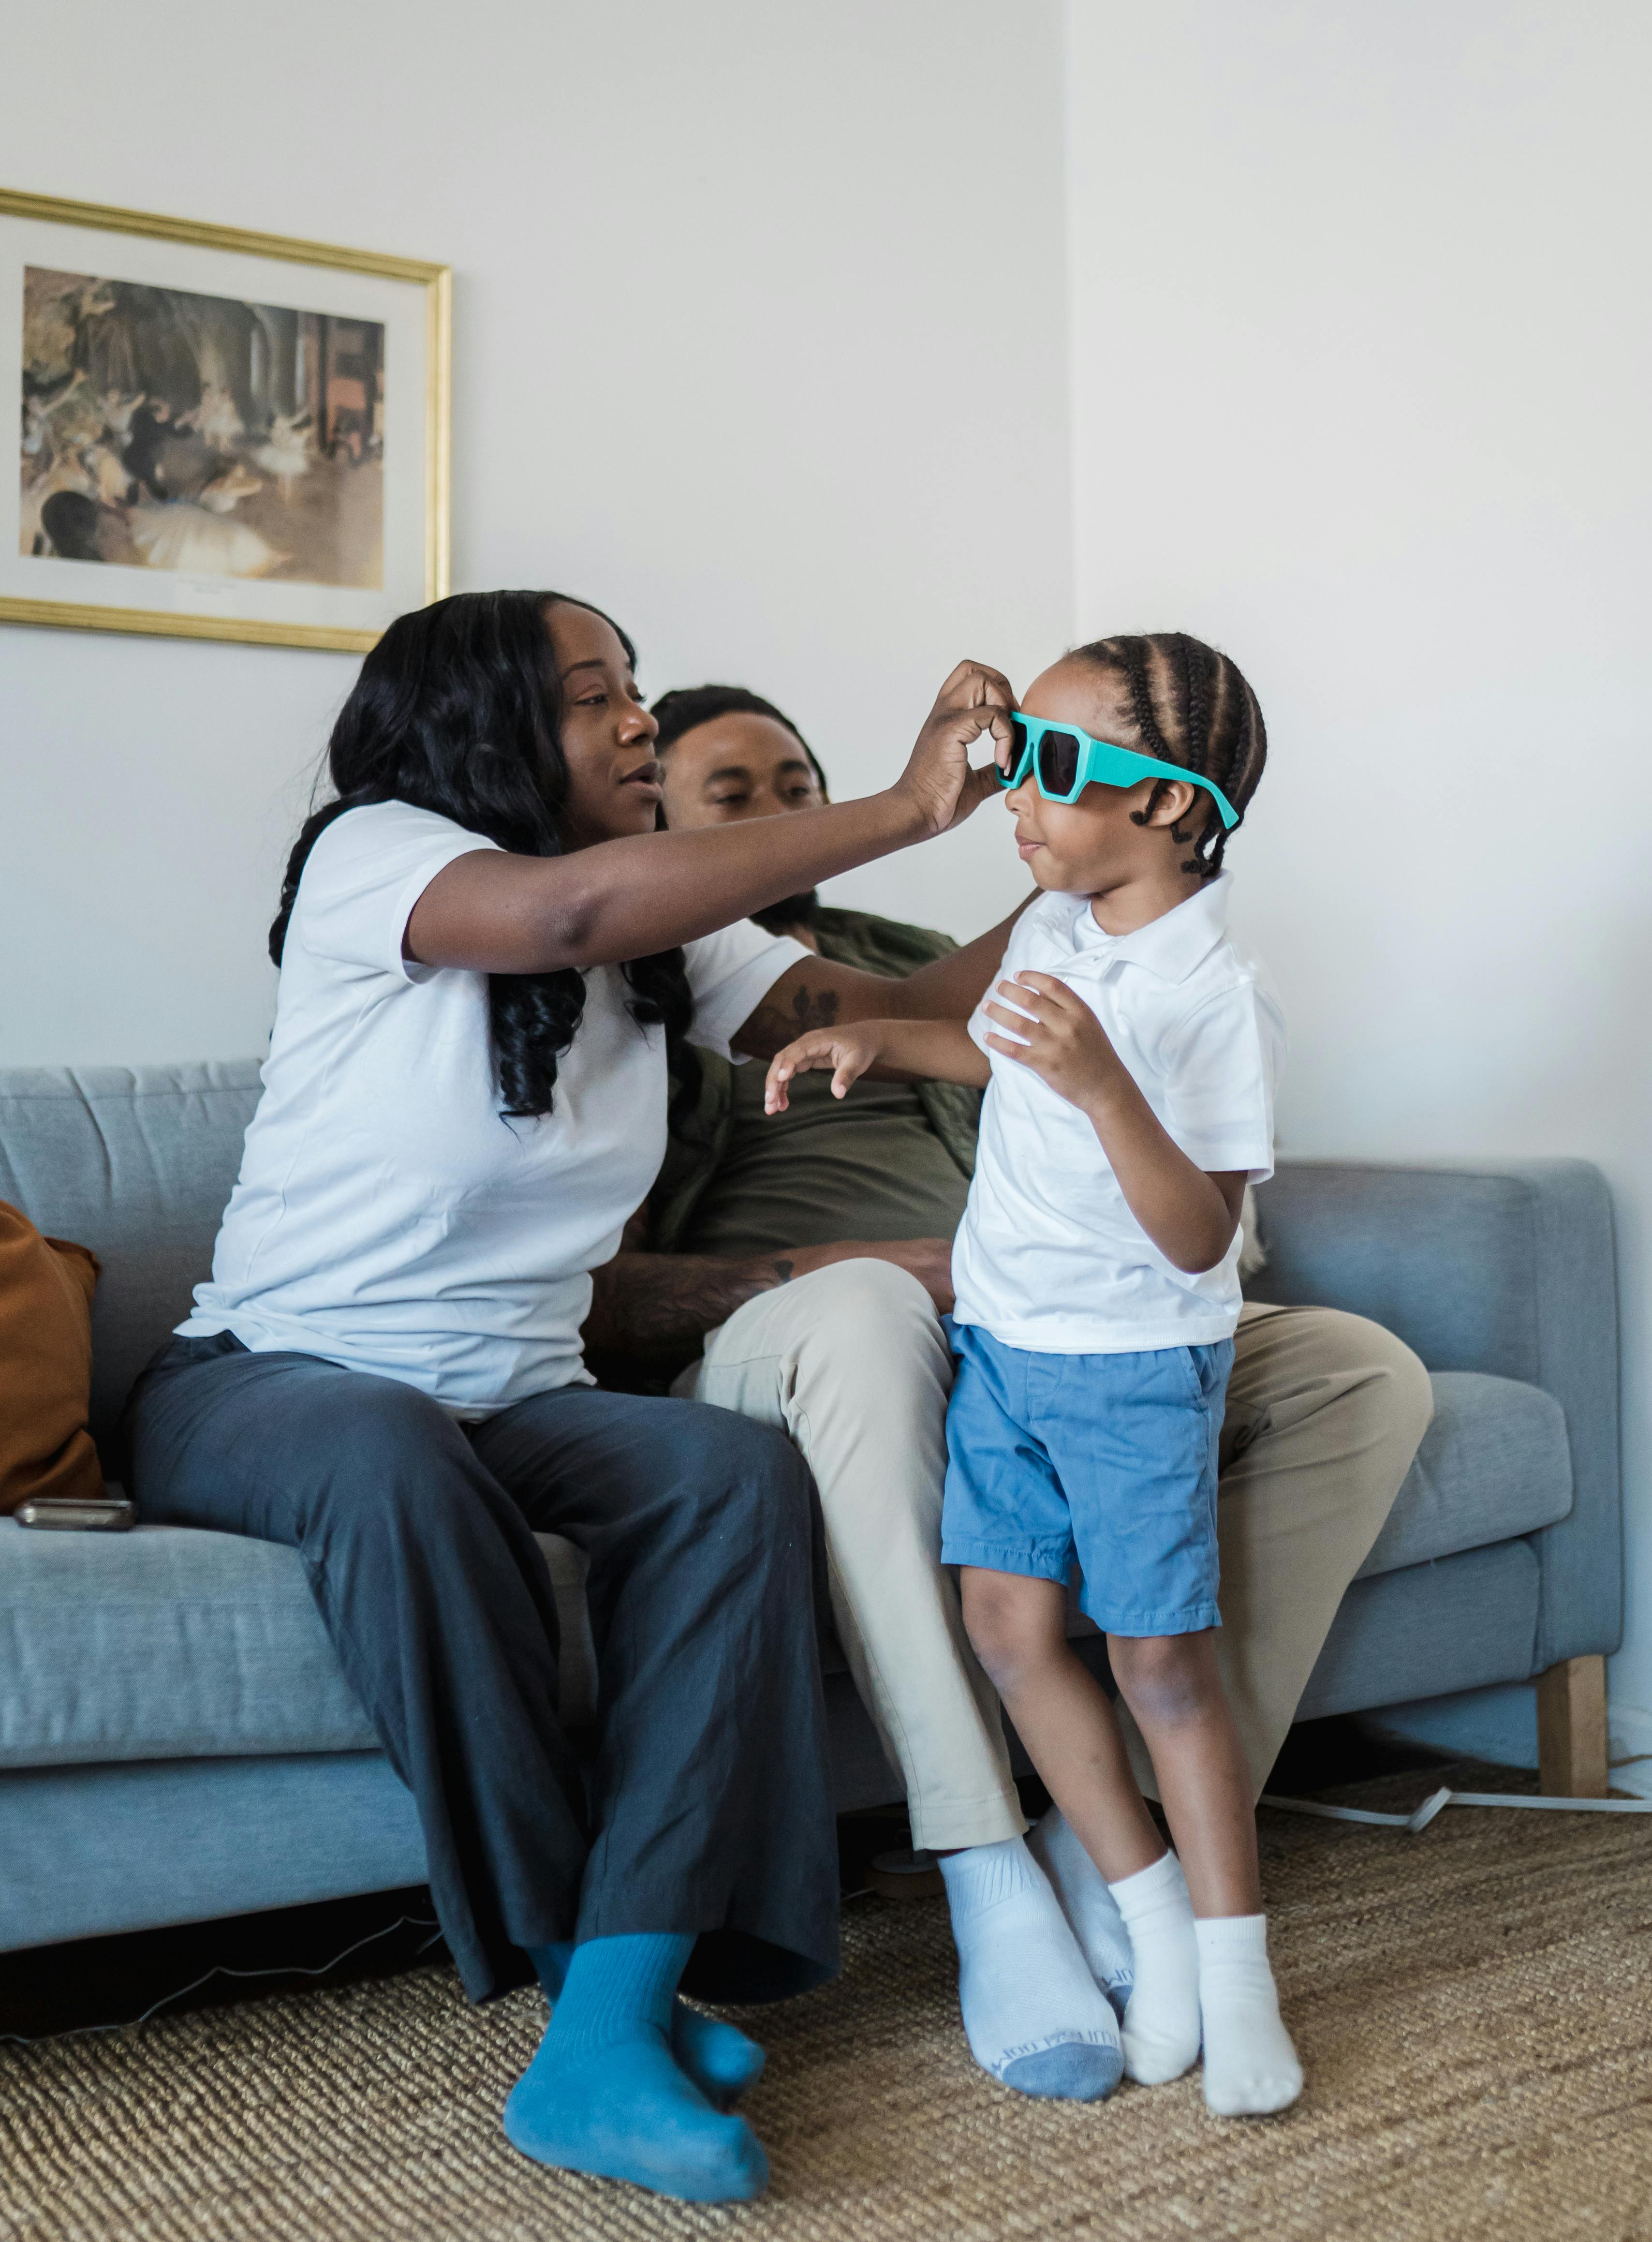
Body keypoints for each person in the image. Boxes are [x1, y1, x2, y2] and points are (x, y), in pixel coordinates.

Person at [115, 591, 1020, 2206]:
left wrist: (1094, 870)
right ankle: (580, 1982)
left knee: (730, 1474)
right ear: (481, 727)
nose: (637, 724)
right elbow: (562, 913)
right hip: (273, 1378)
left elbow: (906, 1012)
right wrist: (895, 804)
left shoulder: (669, 937)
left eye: (635, 692)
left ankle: (609, 2012)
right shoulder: (381, 855)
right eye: (596, 696)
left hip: (519, 1393)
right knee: (393, 1451)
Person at [586, 673, 1431, 2104]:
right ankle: (992, 1865)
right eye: (737, 799)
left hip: (1068, 1311)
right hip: (837, 1318)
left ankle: (1121, 1846)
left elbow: (1061, 1046)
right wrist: (880, 1260)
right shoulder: (637, 978)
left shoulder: (958, 944)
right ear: (666, 825)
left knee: (1362, 1369)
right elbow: (609, 1285)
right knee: (868, 1323)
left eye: (804, 785)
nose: (793, 818)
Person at [767, 631, 1303, 2118]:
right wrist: (885, 1034)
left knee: (1159, 1665)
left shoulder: (1212, 991)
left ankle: (1238, 1972)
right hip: (1007, 1342)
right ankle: (1144, 1923)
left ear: (1175, 807)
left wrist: (1103, 1080)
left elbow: (1201, 1233)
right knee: (1008, 1629)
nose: (1021, 794)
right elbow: (1001, 1048)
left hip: (1135, 1363)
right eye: (1022, 757)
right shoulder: (1058, 920)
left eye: (1056, 770)